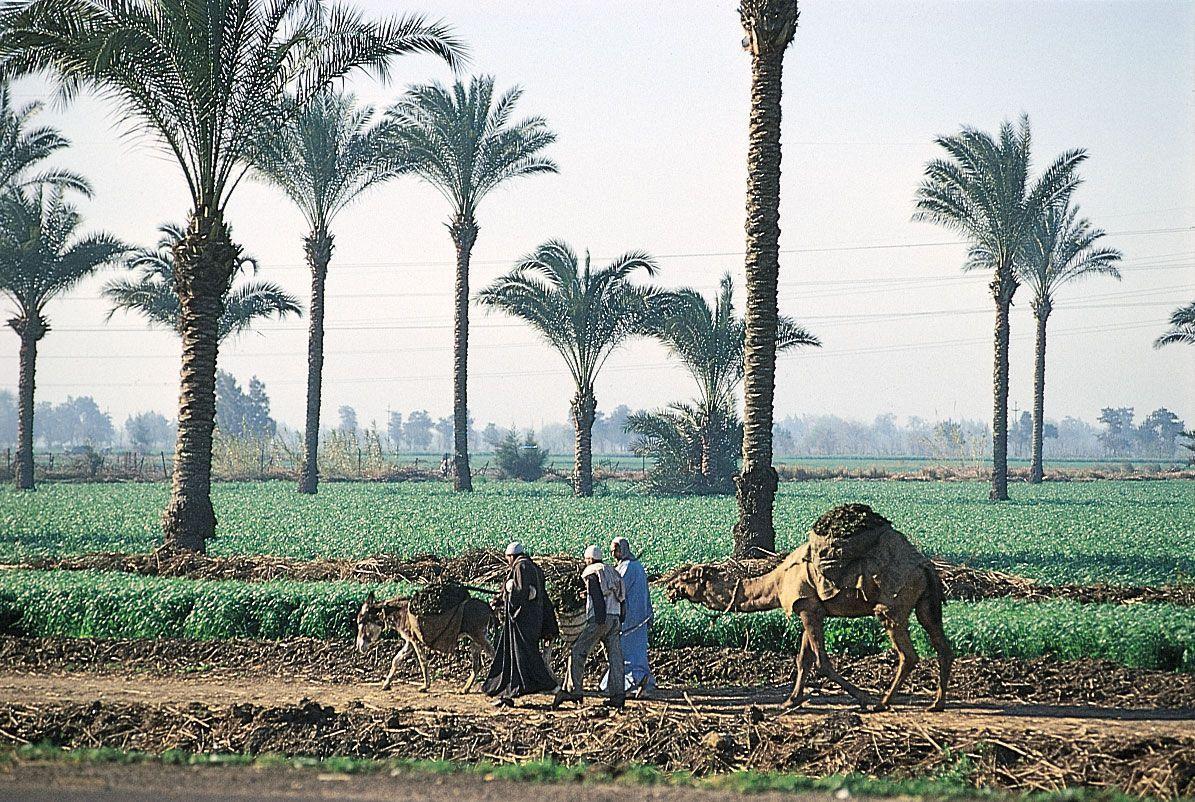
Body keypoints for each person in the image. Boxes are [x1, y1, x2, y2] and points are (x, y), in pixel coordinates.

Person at [482, 542, 557, 707]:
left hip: (522, 620)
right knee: (525, 653)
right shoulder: (535, 568)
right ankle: (531, 685)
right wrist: (501, 598)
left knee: (521, 653)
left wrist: (509, 594)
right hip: (534, 619)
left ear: (511, 556)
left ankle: (542, 685)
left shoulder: (520, 567)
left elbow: (520, 592)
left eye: (508, 558)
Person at [554, 544, 626, 710]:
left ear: (589, 559)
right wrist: (622, 615)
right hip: (615, 617)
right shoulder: (611, 570)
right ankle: (618, 695)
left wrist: (599, 619)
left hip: (600, 618)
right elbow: (621, 596)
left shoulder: (591, 571)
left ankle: (574, 690)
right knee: (615, 657)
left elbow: (597, 593)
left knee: (578, 651)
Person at [601, 536, 655, 698]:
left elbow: (616, 588)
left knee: (625, 652)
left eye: (615, 550)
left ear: (622, 549)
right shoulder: (637, 566)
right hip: (640, 617)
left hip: (629, 618)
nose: (613, 554)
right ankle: (642, 679)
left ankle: (630, 683)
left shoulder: (627, 568)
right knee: (637, 651)